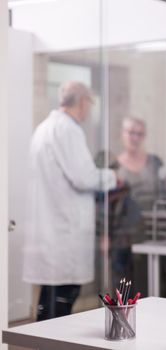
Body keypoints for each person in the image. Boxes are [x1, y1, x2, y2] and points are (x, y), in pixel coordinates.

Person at [23, 81, 117, 321]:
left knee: (50, 299)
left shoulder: (45, 127)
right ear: (83, 102)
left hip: (52, 229)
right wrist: (113, 177)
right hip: (64, 233)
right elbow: (84, 177)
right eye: (90, 104)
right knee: (61, 302)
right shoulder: (68, 129)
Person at [116, 117, 166, 298]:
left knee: (161, 288)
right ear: (122, 134)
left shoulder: (155, 163)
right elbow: (108, 207)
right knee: (132, 291)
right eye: (131, 132)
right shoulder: (115, 167)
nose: (135, 137)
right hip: (127, 238)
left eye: (139, 133)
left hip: (157, 233)